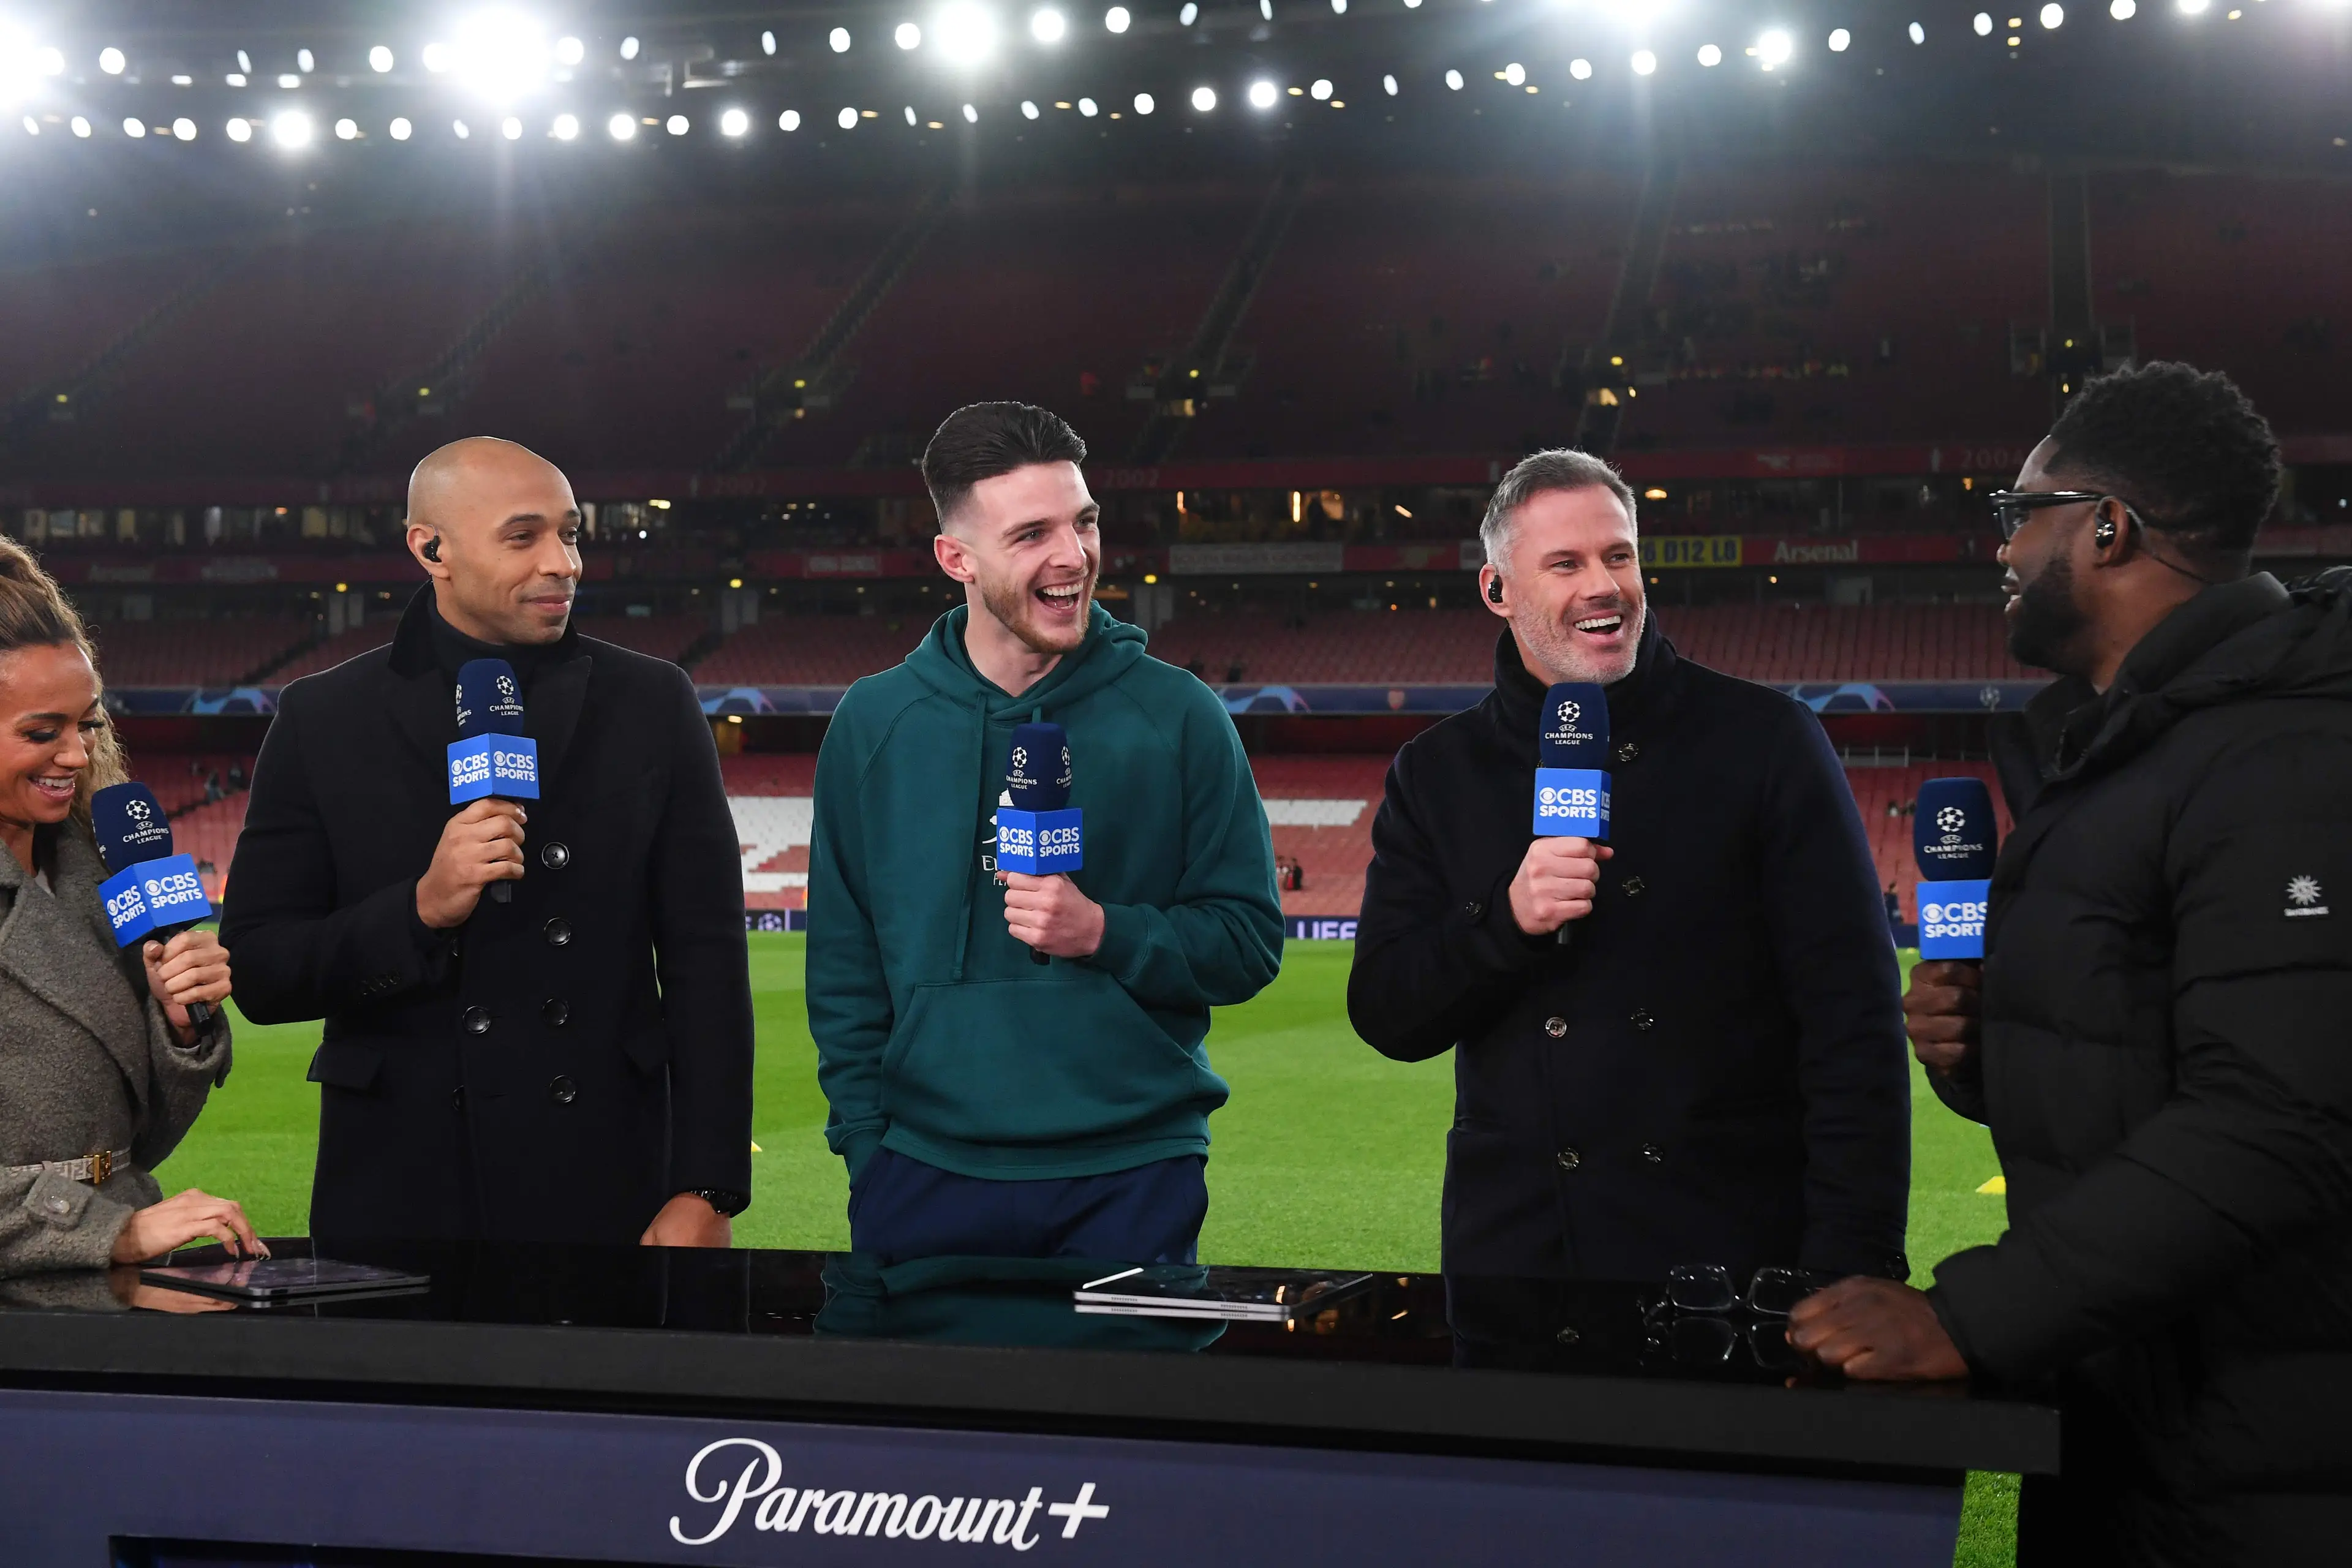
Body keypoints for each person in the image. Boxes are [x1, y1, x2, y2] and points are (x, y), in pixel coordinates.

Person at [1788, 364, 2352, 1564]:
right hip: (2130, 1412)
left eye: (2019, 511)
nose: (2000, 549)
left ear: (2109, 528)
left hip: (2261, 1462)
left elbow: (2280, 1118)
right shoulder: (2125, 748)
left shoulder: (2288, 751)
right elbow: (2139, 1066)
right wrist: (1983, 1050)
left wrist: (1967, 1316)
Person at [1348, 448, 1909, 1282]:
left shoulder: (1768, 743)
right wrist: (1508, 924)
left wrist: (1856, 1264)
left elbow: (1854, 1028)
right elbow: (1389, 1013)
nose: (1604, 586)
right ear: (1498, 591)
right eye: (1565, 563)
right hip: (1521, 1264)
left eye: (1619, 555)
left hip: (1730, 1257)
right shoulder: (1438, 772)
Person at [222, 437, 753, 1246]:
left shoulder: (651, 702)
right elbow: (260, 972)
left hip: (610, 1176)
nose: (564, 563)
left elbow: (707, 961)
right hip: (403, 1190)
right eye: (524, 536)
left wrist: (709, 1187)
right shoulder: (322, 719)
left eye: (571, 534)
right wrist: (419, 910)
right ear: (430, 548)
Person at [808, 402, 1281, 1265]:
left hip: (1131, 1174)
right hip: (918, 1174)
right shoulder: (875, 724)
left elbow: (1248, 945)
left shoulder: (1180, 717)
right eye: (1032, 535)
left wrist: (1104, 931)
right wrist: (870, 1154)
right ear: (957, 558)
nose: (1074, 556)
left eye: (1085, 521)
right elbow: (844, 972)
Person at [0, 539, 259, 1278]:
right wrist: (103, 1231)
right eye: (42, 733)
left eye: (87, 724)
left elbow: (131, 1146)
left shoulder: (99, 870)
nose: (79, 756)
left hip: (111, 1280)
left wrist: (179, 1023)